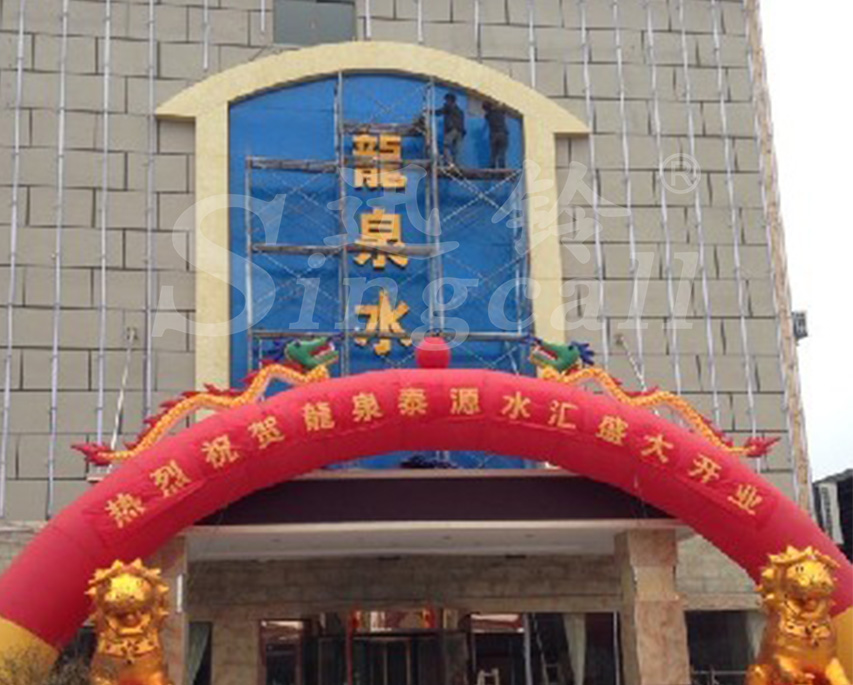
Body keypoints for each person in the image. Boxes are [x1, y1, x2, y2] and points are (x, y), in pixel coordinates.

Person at [434, 93, 466, 166]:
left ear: (450, 100)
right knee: (456, 149)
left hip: (452, 130)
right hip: (460, 132)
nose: (445, 102)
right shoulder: (460, 111)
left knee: (446, 146)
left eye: (447, 100)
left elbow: (439, 112)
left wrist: (429, 111)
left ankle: (449, 162)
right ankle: (456, 164)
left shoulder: (449, 107)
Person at [483, 101, 508, 169]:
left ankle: (492, 167)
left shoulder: (488, 116)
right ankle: (502, 168)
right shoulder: (500, 112)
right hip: (502, 134)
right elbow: (504, 108)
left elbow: (487, 115)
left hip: (493, 135)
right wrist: (497, 104)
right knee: (502, 152)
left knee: (493, 153)